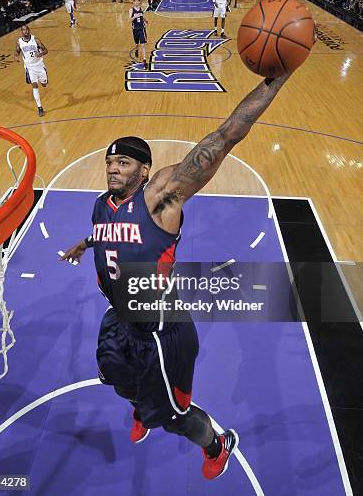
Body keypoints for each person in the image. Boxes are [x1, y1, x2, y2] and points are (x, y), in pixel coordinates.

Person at [61, 71, 292, 480]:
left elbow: (224, 138)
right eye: (110, 162)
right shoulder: (102, 204)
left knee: (174, 415)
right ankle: (141, 406)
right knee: (113, 374)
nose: (113, 169)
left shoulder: (161, 199)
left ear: (145, 170)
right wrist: (86, 243)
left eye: (124, 163)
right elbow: (109, 235)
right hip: (120, 317)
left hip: (161, 331)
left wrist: (275, 80)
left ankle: (217, 444)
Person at [14, 24, 48, 117]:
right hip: (30, 67)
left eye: (27, 29)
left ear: (29, 30)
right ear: (21, 31)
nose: (26, 31)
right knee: (35, 86)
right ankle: (40, 108)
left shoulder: (35, 40)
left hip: (39, 66)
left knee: (44, 84)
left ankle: (43, 81)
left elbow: (46, 50)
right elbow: (17, 51)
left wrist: (40, 54)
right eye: (23, 30)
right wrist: (16, 56)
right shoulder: (19, 42)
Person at [129, 0, 148, 69]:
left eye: (137, 1)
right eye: (134, 1)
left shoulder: (141, 8)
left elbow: (142, 16)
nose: (136, 2)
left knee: (143, 44)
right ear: (133, 2)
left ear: (139, 2)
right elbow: (129, 20)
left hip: (142, 28)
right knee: (136, 43)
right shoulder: (131, 10)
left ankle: (144, 60)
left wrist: (146, 21)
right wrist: (134, 16)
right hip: (135, 29)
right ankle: (136, 49)